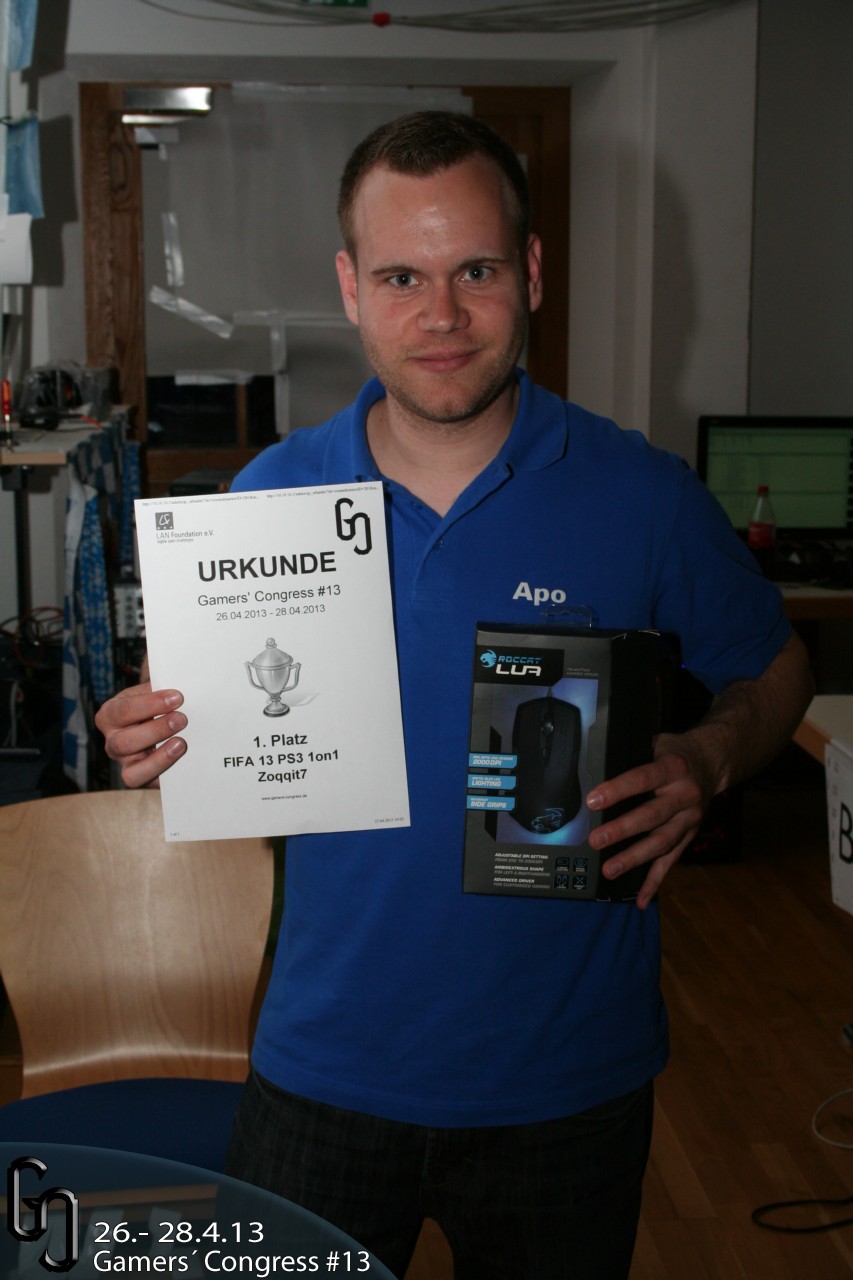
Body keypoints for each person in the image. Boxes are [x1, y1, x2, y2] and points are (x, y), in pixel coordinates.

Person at [96, 111, 813, 1279]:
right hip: (323, 1068)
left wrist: (710, 757)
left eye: (473, 270)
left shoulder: (640, 493)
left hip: (566, 1085)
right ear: (350, 286)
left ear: (529, 271)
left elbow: (775, 662)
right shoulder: (269, 494)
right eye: (400, 277)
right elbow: (199, 702)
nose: (440, 314)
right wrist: (152, 723)